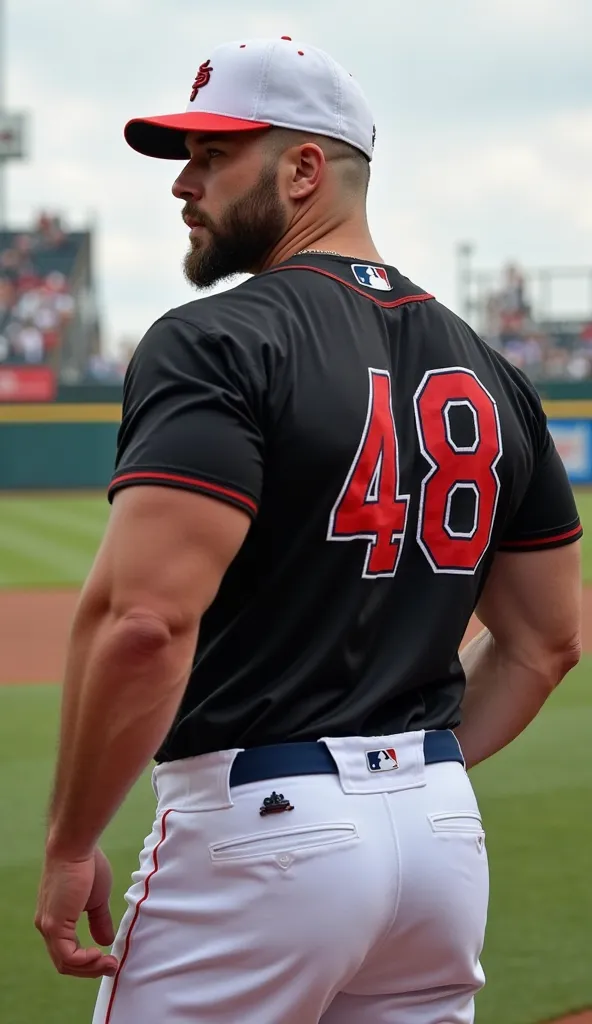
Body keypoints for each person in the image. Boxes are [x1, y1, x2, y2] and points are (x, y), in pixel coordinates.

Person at [35, 35, 582, 1024]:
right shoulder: (491, 371)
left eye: (212, 156)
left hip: (261, 833)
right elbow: (549, 639)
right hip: (440, 837)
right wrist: (392, 781)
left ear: (302, 169)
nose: (183, 185)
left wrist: (72, 841)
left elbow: (145, 620)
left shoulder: (215, 340)